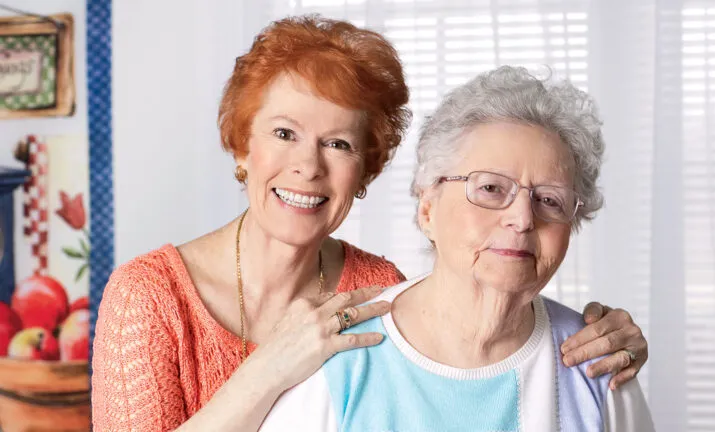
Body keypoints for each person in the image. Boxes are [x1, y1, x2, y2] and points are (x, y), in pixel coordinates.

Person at [91, 16, 649, 431]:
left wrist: (605, 343)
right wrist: (269, 370)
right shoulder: (149, 296)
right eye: (284, 134)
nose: (308, 166)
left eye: (338, 143)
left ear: (364, 171)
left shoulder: (376, 287)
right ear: (242, 145)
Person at [259, 65, 655, 431]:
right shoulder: (339, 358)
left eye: (550, 200)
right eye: (490, 188)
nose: (522, 218)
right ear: (427, 209)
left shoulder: (598, 363)